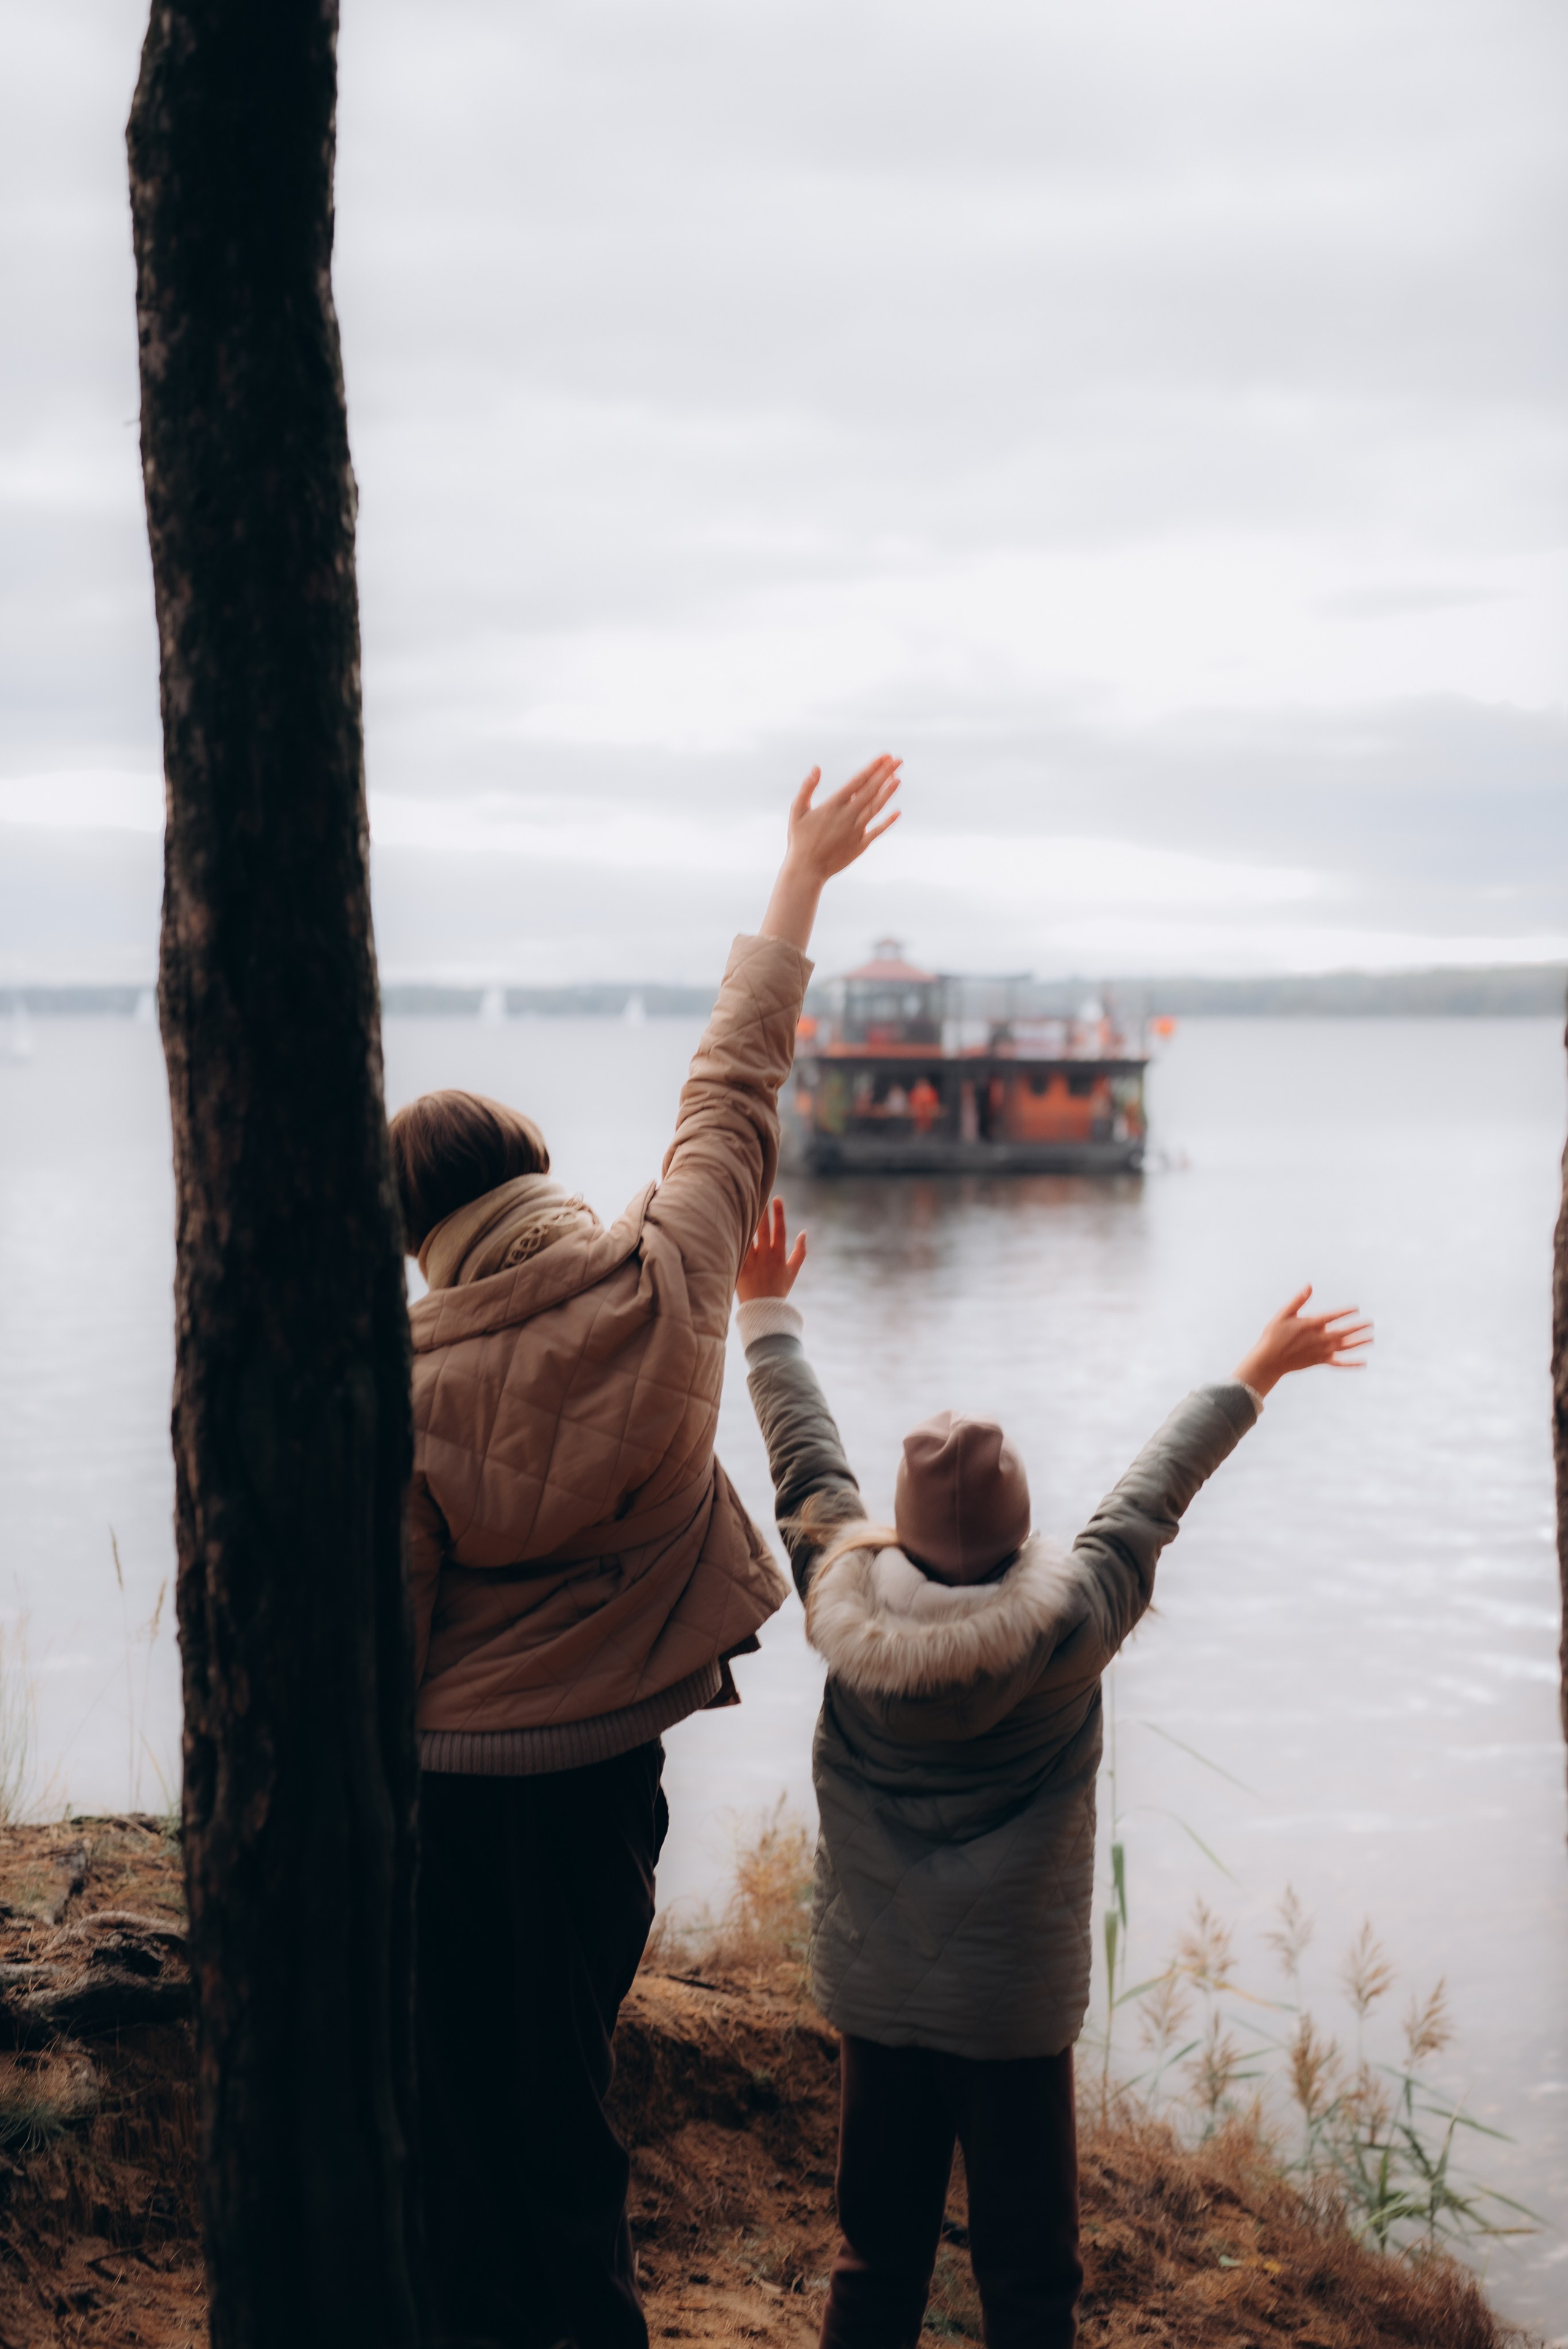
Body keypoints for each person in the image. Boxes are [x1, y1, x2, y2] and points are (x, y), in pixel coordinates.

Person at [390, 757, 900, 2349]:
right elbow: (733, 1080)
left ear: (421, 1233)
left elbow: (391, 1622)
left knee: (451, 2104)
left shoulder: (394, 1386)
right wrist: (802, 874)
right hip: (608, 1774)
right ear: (537, 1166)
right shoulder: (674, 1269)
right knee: (566, 2091)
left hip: (453, 1793)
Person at [733, 1202, 1371, 2349]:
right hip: (1015, 2013)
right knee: (1031, 2284)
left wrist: (765, 1312)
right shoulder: (1072, 1625)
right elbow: (1151, 1495)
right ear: (1028, 1534)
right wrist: (1257, 1371)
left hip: (876, 2001)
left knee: (873, 2262)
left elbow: (804, 1454)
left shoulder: (838, 1588)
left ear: (893, 1534)